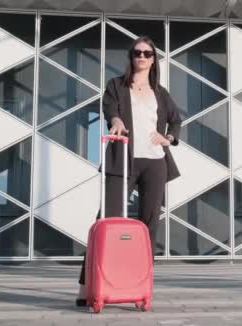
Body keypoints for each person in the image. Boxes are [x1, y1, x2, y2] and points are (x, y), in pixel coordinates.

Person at [75, 36, 182, 307]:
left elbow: (175, 119)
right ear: (131, 56)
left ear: (154, 59)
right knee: (105, 220)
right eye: (137, 53)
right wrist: (116, 119)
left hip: (155, 163)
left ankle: (139, 283)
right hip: (123, 160)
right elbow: (109, 107)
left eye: (147, 53)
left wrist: (167, 138)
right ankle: (85, 286)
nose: (142, 57)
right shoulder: (116, 85)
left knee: (148, 227)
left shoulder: (161, 92)